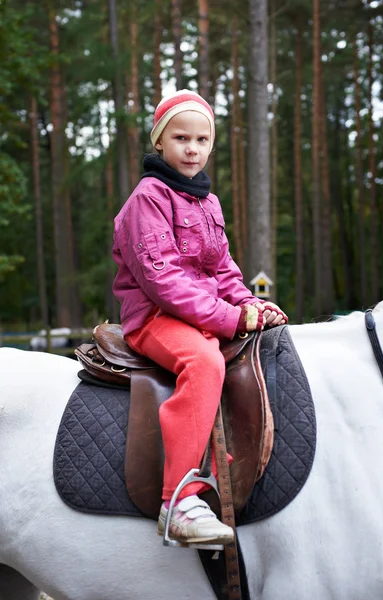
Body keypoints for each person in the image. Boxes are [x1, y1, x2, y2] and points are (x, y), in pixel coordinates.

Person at [112, 89, 288, 546]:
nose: (192, 148)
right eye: (181, 138)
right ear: (160, 143)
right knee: (204, 363)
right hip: (155, 317)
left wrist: (251, 304)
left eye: (202, 139)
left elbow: (223, 269)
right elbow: (162, 280)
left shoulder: (207, 202)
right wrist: (228, 319)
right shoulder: (147, 199)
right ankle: (180, 501)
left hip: (200, 314)